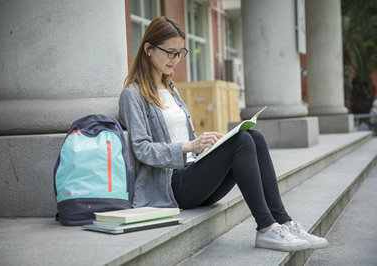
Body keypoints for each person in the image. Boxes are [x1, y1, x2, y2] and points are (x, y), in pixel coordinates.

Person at [119, 16, 328, 252]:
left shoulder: (170, 88)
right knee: (240, 141)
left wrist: (207, 144)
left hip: (192, 175)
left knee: (253, 137)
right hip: (171, 187)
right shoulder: (133, 94)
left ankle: (284, 222)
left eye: (180, 53)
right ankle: (266, 228)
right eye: (170, 52)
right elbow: (142, 149)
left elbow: (181, 135)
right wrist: (189, 146)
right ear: (148, 49)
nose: (175, 60)